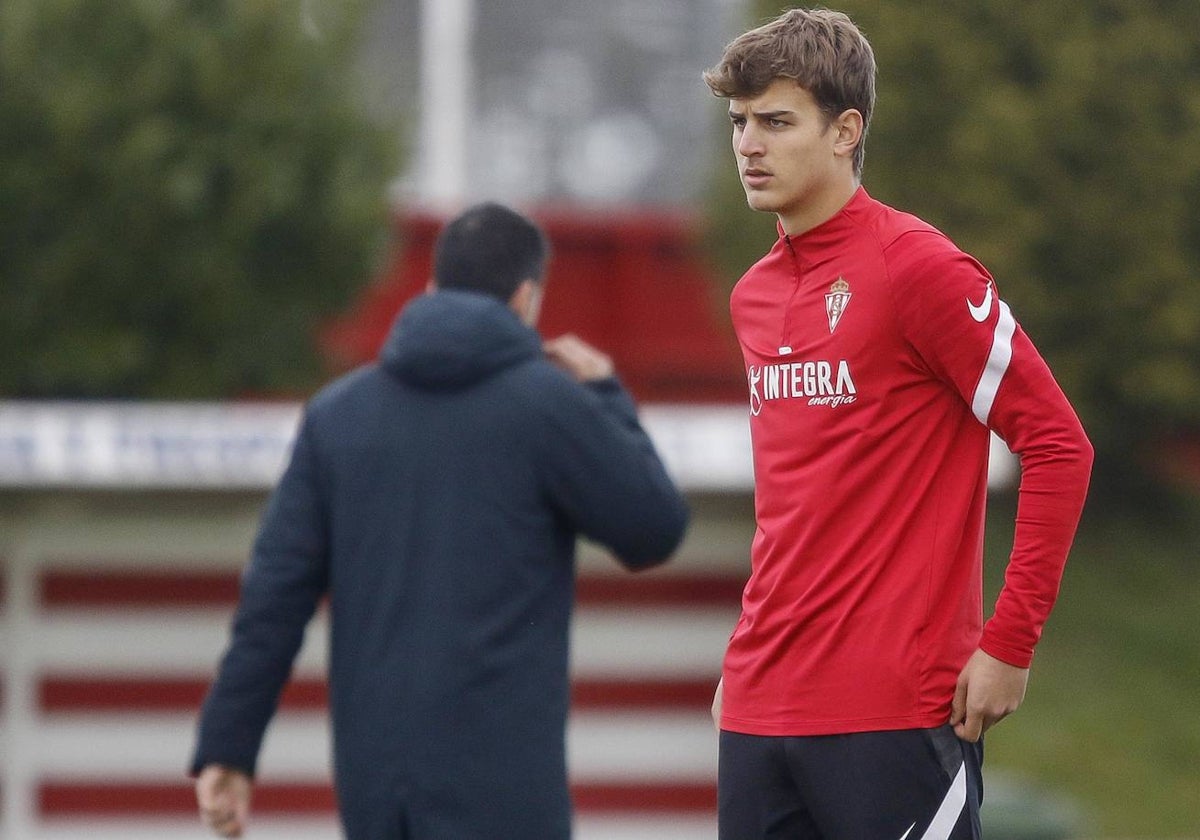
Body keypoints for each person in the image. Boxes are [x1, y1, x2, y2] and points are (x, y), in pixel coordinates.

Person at [702, 9, 1093, 839]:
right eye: (739, 121)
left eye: (776, 121)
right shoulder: (753, 296)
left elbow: (1060, 445)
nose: (748, 145)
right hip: (759, 711)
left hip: (895, 715)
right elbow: (796, 504)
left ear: (846, 131)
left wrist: (1010, 644)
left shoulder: (918, 268)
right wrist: (744, 664)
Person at [189, 202, 690, 839]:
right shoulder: (550, 409)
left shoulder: (336, 419)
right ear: (526, 299)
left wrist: (228, 747)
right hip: (509, 798)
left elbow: (273, 601)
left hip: (378, 795)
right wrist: (606, 396)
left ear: (429, 289)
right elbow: (655, 529)